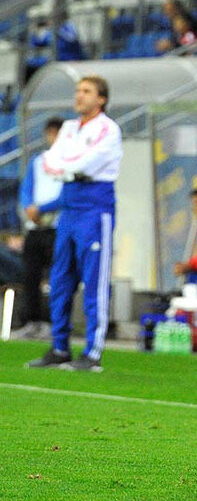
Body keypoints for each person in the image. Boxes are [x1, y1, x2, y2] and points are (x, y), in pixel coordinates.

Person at [26, 76, 123, 372]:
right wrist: (66, 166)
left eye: (86, 91)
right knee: (60, 279)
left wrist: (65, 166)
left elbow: (84, 164)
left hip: (95, 208)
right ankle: (59, 347)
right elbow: (48, 161)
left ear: (101, 99)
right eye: (78, 91)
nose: (78, 96)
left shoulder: (108, 128)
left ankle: (92, 352)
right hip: (69, 207)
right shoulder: (69, 128)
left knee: (94, 282)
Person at [12, 117, 64, 339]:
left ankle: (55, 322)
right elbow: (26, 189)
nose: (53, 137)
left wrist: (43, 208)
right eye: (50, 132)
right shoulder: (38, 161)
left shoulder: (70, 162)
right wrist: (29, 208)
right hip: (35, 229)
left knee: (58, 278)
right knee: (30, 276)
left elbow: (67, 194)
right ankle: (31, 321)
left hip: (57, 226)